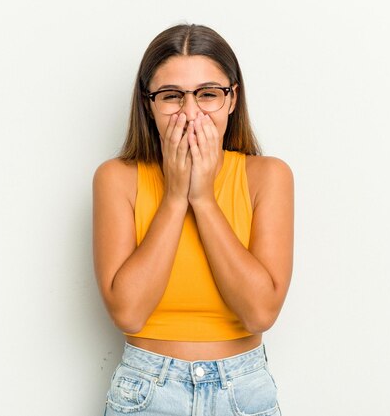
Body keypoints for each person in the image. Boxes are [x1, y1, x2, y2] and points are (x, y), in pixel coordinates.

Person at [93, 23, 294, 415]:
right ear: (148, 104)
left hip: (243, 389)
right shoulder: (117, 179)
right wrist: (174, 195)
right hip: (146, 390)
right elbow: (129, 313)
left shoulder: (268, 176)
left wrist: (202, 198)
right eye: (171, 96)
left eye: (207, 94)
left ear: (232, 99)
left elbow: (260, 313)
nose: (190, 113)